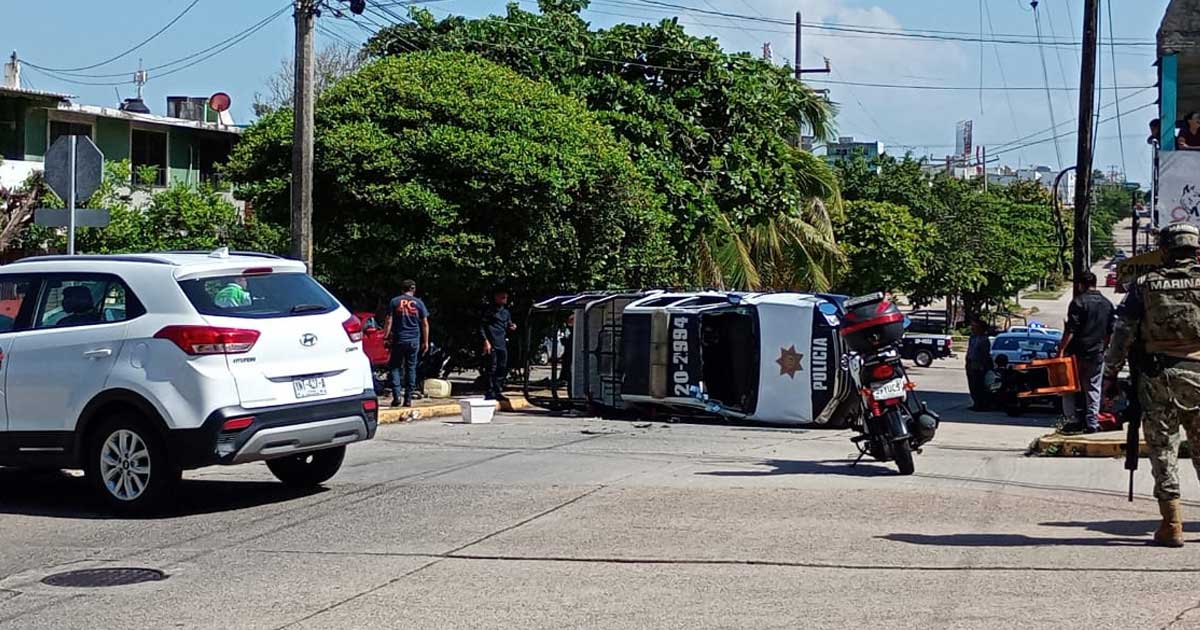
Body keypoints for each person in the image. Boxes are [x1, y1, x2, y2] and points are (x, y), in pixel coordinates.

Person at [1104, 223, 1200, 548]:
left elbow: (1122, 333)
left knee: (1163, 449)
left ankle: (1172, 523)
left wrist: (1109, 375)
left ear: (1165, 250)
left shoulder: (1145, 285)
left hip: (1159, 378)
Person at [1058, 271, 1115, 434]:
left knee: (1068, 387)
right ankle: (1092, 422)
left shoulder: (1078, 302)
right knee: (1093, 388)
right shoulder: (1107, 304)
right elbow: (1110, 332)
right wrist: (1104, 347)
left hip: (1076, 353)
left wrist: (1061, 350)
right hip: (1096, 353)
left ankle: (1072, 420)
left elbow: (1071, 330)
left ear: (1080, 285)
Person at [382, 279, 429, 408]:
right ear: (413, 289)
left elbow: (389, 320)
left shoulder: (395, 301)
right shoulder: (419, 303)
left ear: (402, 289)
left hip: (399, 339)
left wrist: (385, 336)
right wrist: (425, 341)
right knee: (411, 368)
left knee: (394, 367)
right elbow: (424, 323)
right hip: (414, 339)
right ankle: (408, 398)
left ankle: (397, 396)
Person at [480, 288, 517, 400]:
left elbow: (508, 324)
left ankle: (498, 390)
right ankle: (490, 391)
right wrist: (485, 341)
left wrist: (512, 327)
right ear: (496, 297)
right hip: (492, 342)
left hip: (502, 342)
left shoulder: (506, 312)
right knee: (492, 367)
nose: (504, 299)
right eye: (502, 297)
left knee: (502, 367)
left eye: (506, 297)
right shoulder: (489, 311)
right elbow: (481, 326)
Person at [965, 319, 993, 411]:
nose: (972, 328)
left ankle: (981, 404)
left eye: (975, 326)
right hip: (970, 363)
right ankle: (975, 403)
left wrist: (983, 365)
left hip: (979, 365)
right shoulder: (972, 338)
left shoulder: (984, 340)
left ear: (980, 328)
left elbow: (985, 354)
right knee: (972, 385)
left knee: (979, 385)